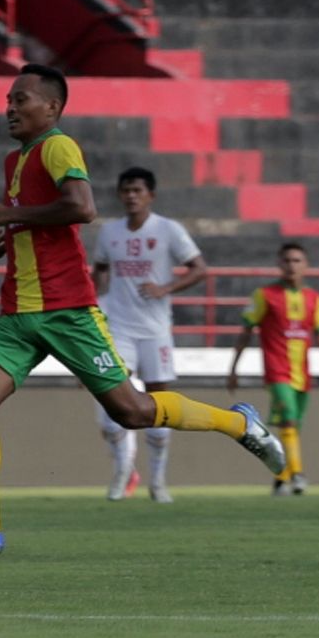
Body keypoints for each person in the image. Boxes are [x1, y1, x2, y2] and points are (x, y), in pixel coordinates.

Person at [0, 65, 287, 558]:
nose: (10, 107)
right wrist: (10, 235)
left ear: (51, 108)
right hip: (18, 314)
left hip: (66, 310)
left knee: (134, 411)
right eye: (9, 99)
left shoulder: (58, 145)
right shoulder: (17, 158)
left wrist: (12, 216)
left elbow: (82, 207)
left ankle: (240, 424)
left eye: (22, 99)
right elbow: (49, 219)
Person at [88, 166, 208, 503]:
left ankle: (158, 479)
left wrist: (166, 287)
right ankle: (123, 470)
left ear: (150, 195)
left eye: (137, 190)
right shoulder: (110, 233)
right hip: (119, 329)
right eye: (126, 190)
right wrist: (95, 306)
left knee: (158, 400)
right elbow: (98, 270)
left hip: (155, 331)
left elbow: (200, 268)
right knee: (111, 394)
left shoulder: (168, 230)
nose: (131, 196)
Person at [227, 243, 319, 495]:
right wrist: (233, 368)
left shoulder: (314, 298)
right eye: (287, 261)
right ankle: (298, 475)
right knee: (290, 420)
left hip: (302, 373)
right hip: (277, 371)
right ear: (279, 264)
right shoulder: (264, 295)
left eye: (297, 261)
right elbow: (246, 331)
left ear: (306, 265)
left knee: (290, 426)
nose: (292, 265)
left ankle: (281, 477)